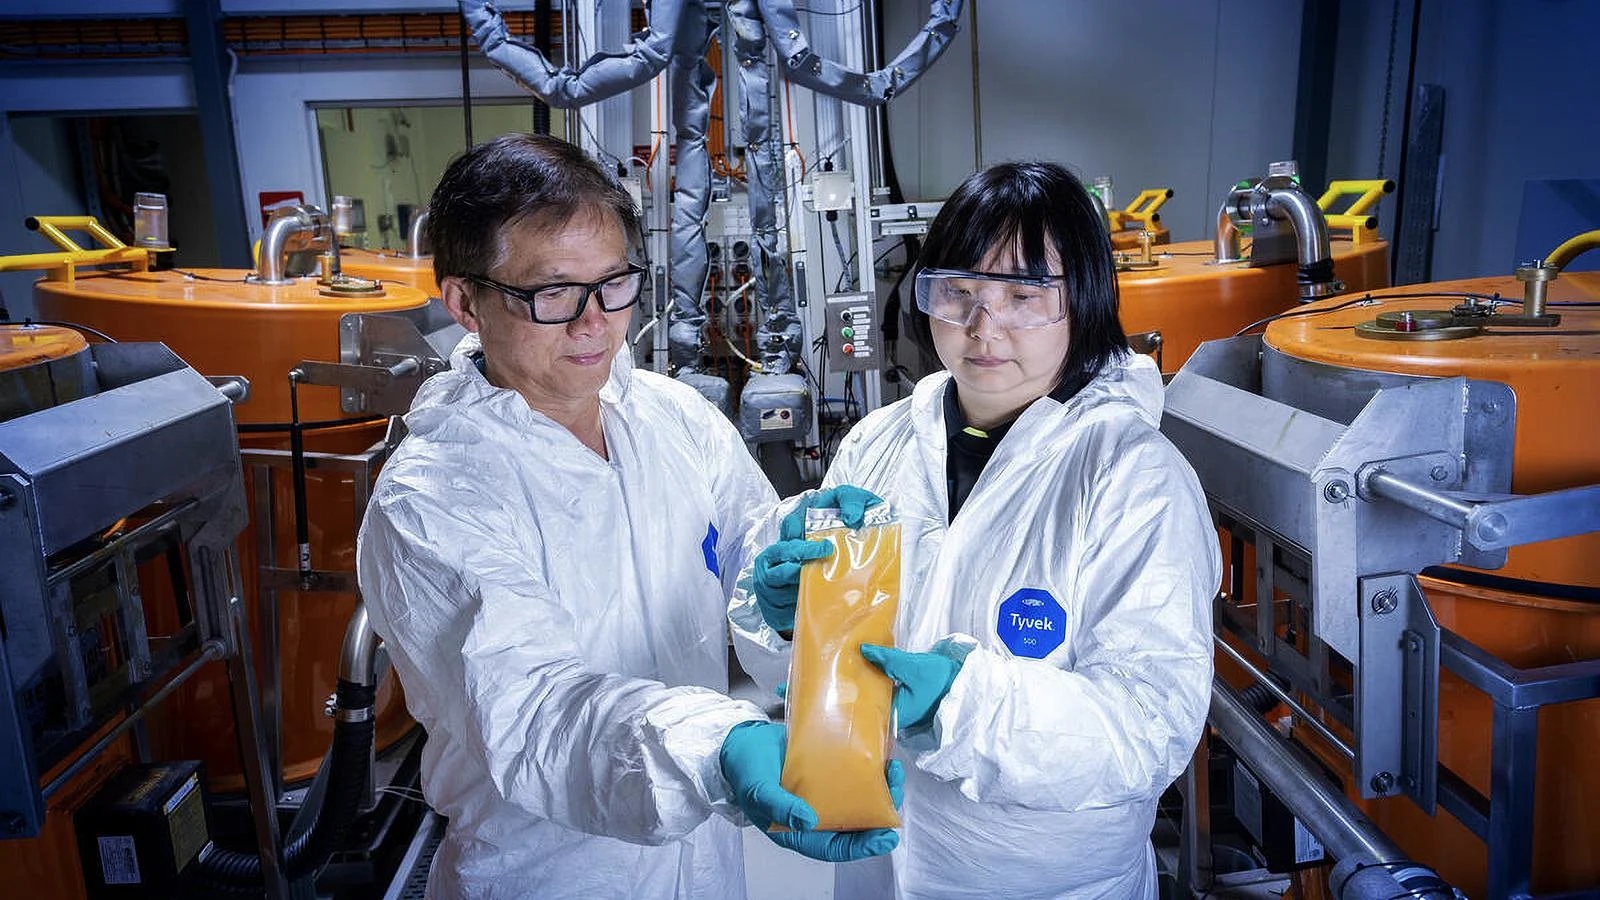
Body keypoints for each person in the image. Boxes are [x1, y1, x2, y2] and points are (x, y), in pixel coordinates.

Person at [356, 133, 895, 900]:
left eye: (613, 284)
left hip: (706, 855)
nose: (593, 323)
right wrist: (716, 750)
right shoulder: (435, 498)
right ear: (464, 304)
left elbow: (746, 548)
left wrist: (793, 566)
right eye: (552, 293)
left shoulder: (670, 416)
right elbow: (532, 711)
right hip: (552, 872)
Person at [730, 161, 1221, 899]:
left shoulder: (1134, 477)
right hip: (875, 854)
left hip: (1043, 883)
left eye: (1024, 297)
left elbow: (1149, 727)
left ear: (1082, 301)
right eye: (959, 293)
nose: (983, 328)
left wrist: (964, 708)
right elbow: (814, 672)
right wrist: (785, 622)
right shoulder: (881, 441)